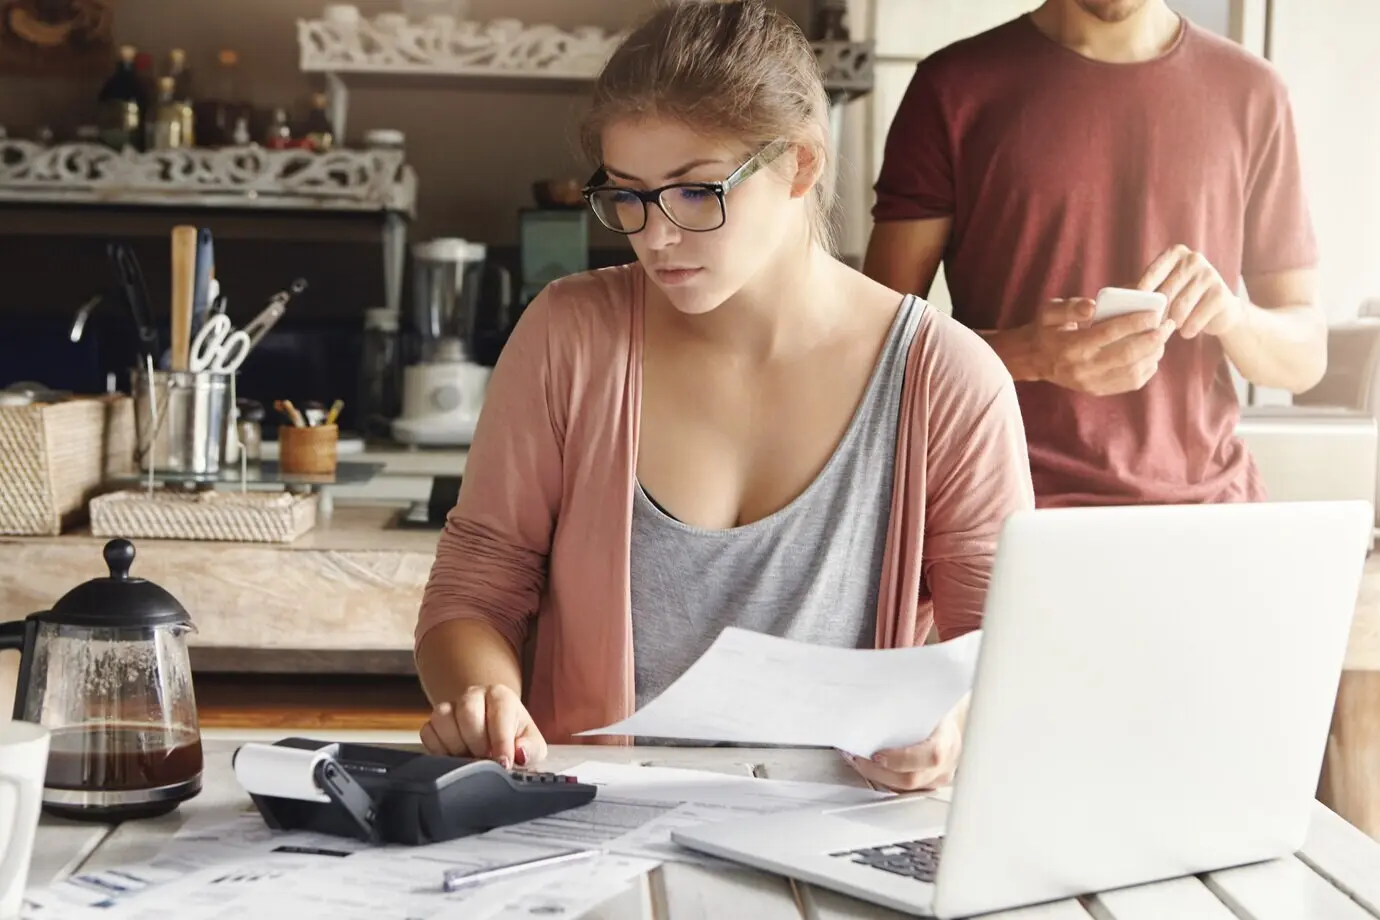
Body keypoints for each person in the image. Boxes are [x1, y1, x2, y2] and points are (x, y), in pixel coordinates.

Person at [413, 0, 1034, 793]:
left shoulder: (947, 379)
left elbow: (1006, 651)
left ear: (801, 164)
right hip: (587, 834)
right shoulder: (568, 336)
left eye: (696, 192)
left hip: (835, 844)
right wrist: (484, 696)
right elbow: (474, 591)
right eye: (629, 196)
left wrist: (949, 730)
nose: (656, 236)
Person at [864, 0, 1328, 509]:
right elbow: (880, 353)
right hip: (1005, 508)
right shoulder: (951, 88)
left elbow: (1305, 358)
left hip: (1208, 514)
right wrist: (1028, 354)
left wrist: (1233, 317)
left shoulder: (1254, 92)